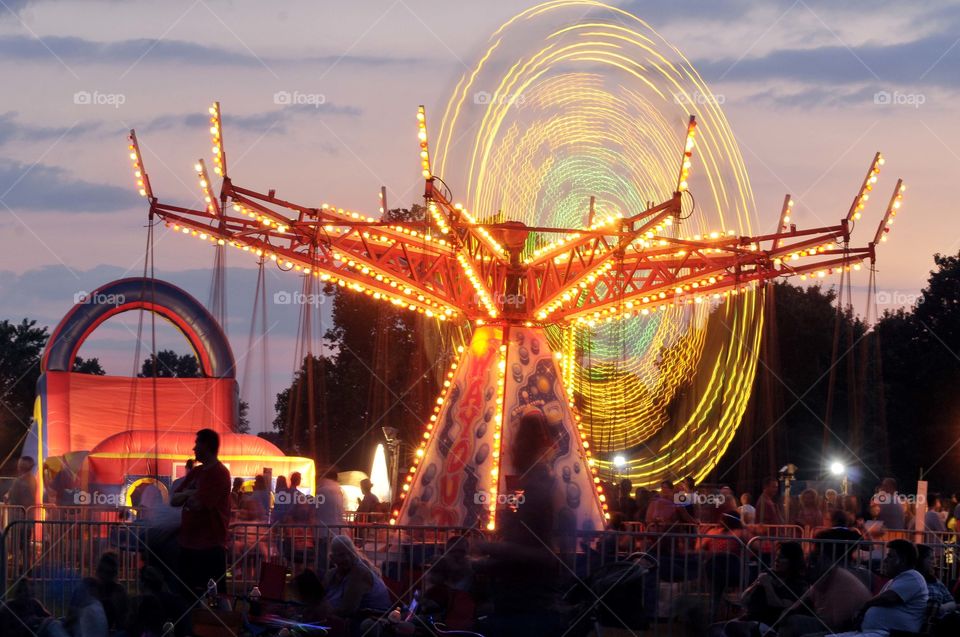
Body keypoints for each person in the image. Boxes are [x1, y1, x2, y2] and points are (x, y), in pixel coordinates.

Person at [171, 428, 232, 597]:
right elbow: (173, 500)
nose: (194, 448)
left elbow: (198, 504)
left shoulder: (220, 474)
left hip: (210, 546)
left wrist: (187, 496)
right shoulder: (197, 472)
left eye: (197, 443)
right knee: (187, 596)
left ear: (206, 445)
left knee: (216, 597)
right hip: (188, 545)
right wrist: (191, 493)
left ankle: (220, 622)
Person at [835, 539, 929, 637]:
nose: (885, 560)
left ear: (902, 560)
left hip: (891, 633)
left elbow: (889, 598)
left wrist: (864, 606)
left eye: (890, 556)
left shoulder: (912, 576)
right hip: (873, 631)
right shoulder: (895, 580)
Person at [323, 535, 391, 619]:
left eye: (349, 553)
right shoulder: (332, 574)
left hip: (372, 620)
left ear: (354, 553)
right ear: (332, 558)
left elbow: (346, 610)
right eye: (341, 555)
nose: (347, 558)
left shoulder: (359, 573)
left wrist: (319, 610)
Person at [93, 551, 128, 631]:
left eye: (108, 573)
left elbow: (122, 621)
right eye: (102, 571)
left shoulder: (118, 591)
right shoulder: (92, 587)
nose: (104, 576)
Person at [917, 543, 956, 614]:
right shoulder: (910, 580)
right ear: (920, 560)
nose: (934, 562)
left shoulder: (936, 582)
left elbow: (952, 602)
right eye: (931, 559)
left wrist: (942, 608)